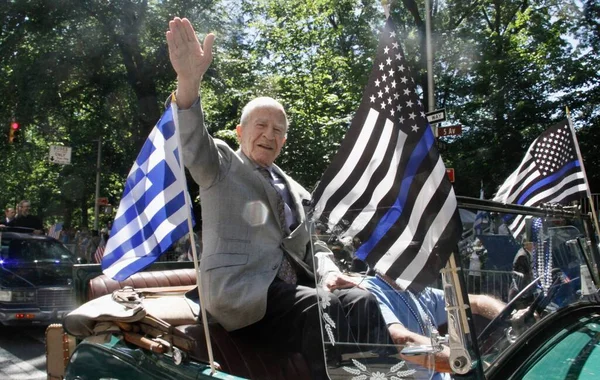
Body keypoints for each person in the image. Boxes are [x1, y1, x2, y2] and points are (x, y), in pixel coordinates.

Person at [166, 17, 390, 379]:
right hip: (239, 297)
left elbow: (313, 247)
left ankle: (383, 377)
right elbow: (191, 141)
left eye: (278, 130)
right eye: (261, 126)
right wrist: (189, 81)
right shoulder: (220, 165)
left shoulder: (297, 190)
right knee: (324, 310)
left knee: (362, 299)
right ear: (240, 131)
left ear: (283, 141)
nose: (269, 135)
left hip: (288, 298)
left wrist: (331, 272)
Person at [364, 272, 507, 379]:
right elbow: (402, 340)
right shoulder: (373, 289)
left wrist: (511, 316)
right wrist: (467, 365)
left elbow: (476, 302)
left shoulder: (417, 291)